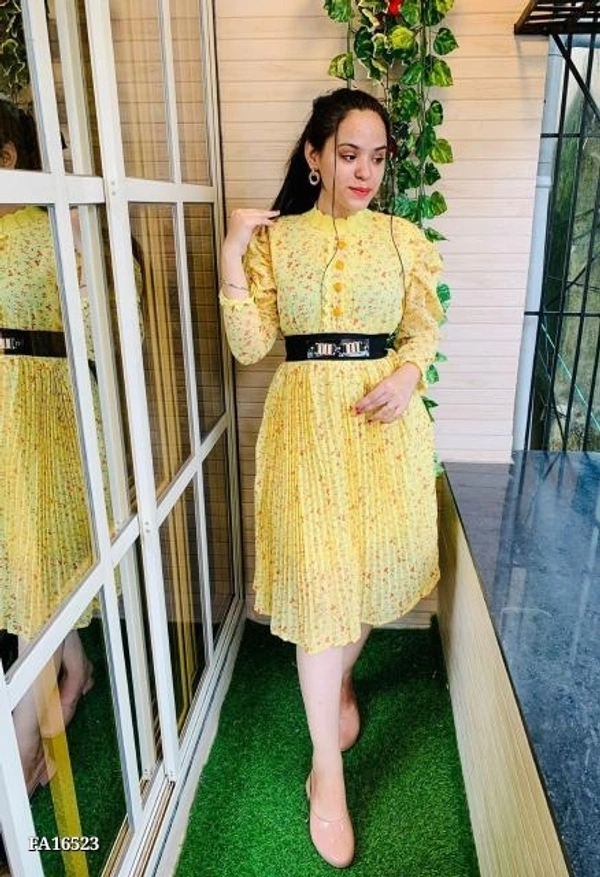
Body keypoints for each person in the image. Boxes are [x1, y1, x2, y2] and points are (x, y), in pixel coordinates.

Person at [219, 87, 444, 868]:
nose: (364, 172)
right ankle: (328, 772)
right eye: (348, 154)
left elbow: (422, 329)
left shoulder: (403, 240)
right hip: (305, 430)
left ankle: (341, 682)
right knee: (321, 594)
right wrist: (232, 253)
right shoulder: (277, 242)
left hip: (382, 433)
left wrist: (408, 375)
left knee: (362, 582)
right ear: (314, 156)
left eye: (377, 157)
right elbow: (250, 344)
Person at [0, 98, 95, 794]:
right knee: (33, 569)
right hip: (25, 416)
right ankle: (77, 669)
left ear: (8, 159)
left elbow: (104, 327)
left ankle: (26, 749)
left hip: (37, 417)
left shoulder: (51, 230)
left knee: (36, 572)